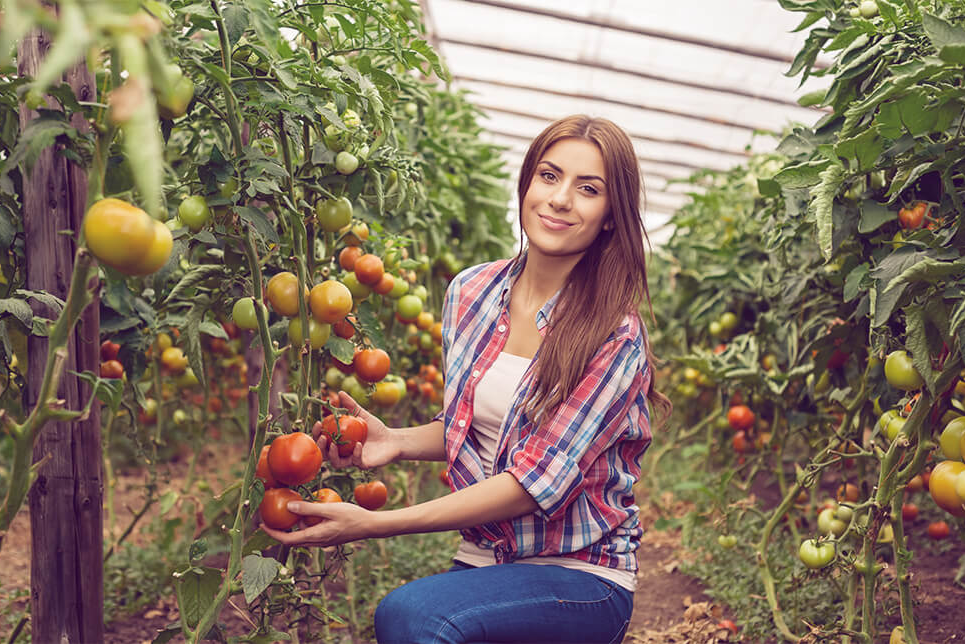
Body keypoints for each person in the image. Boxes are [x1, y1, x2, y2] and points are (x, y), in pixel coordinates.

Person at [262, 114, 671, 644]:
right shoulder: (470, 292)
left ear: (611, 215)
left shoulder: (614, 334)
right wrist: (396, 442)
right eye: (549, 176)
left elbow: (533, 483)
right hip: (488, 559)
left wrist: (372, 523)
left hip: (580, 575)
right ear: (526, 184)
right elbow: (475, 425)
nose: (561, 199)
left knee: (414, 617)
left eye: (588, 189)